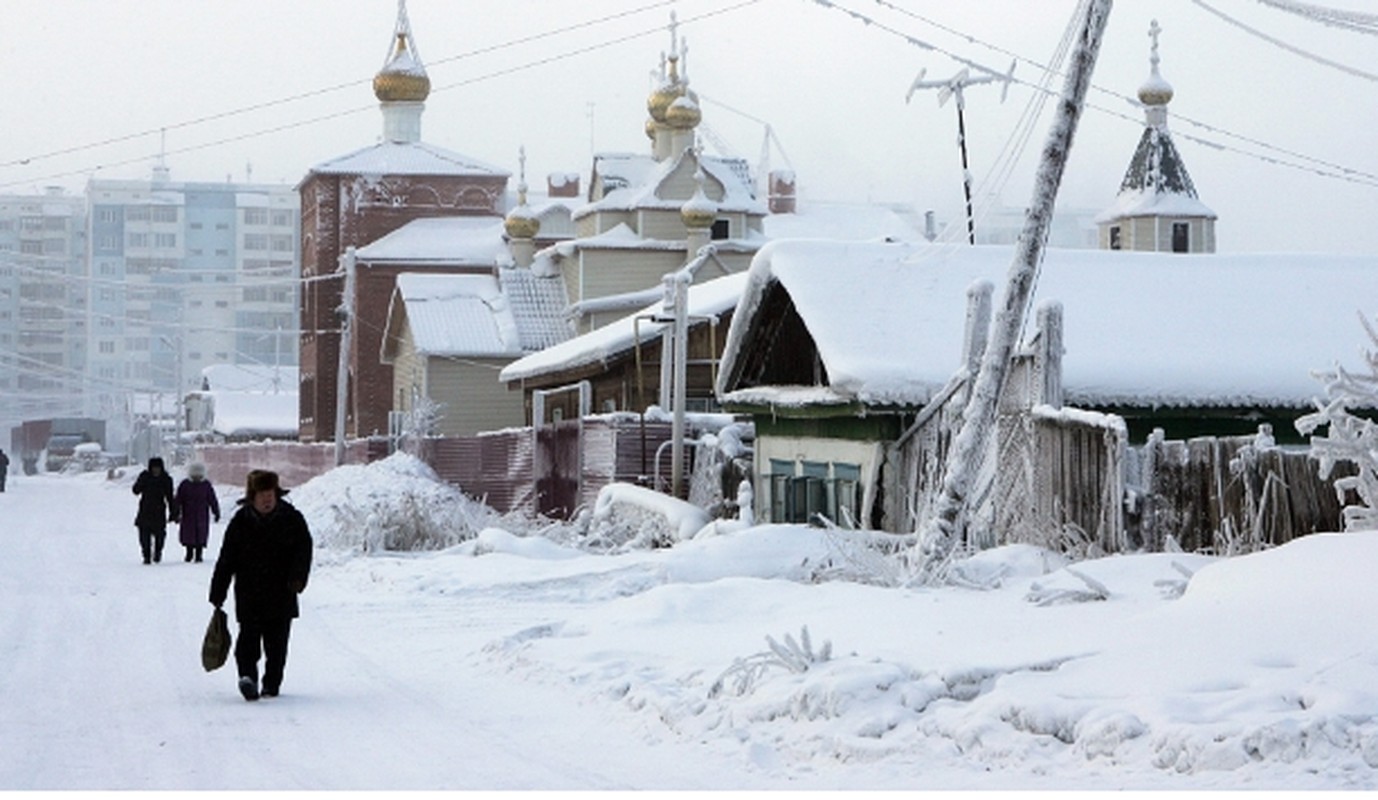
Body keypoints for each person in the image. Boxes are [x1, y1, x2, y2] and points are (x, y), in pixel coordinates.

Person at [209, 470, 313, 701]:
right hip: (249, 592)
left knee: (277, 645)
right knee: (247, 641)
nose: (267, 499)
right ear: (252, 496)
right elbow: (227, 559)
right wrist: (218, 590)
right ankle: (248, 678)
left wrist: (298, 577)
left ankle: (271, 684)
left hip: (282, 592)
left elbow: (303, 551)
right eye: (262, 494)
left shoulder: (291, 519)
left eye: (270, 494)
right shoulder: (240, 522)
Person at [132, 457, 177, 564]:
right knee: (144, 535)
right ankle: (146, 555)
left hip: (159, 511)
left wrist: (173, 512)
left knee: (160, 535)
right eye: (153, 468)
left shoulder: (166, 479)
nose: (155, 470)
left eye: (158, 468)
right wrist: (141, 481)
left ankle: (158, 552)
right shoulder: (145, 477)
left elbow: (170, 497)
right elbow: (135, 490)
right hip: (145, 510)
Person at [175, 461, 220, 563]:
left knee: (201, 534)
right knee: (188, 534)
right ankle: (189, 552)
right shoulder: (185, 485)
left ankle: (199, 554)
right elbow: (178, 499)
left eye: (199, 475)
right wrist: (176, 512)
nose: (197, 477)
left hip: (202, 515)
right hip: (188, 514)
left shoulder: (206, 485)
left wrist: (216, 511)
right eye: (195, 475)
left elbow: (212, 499)